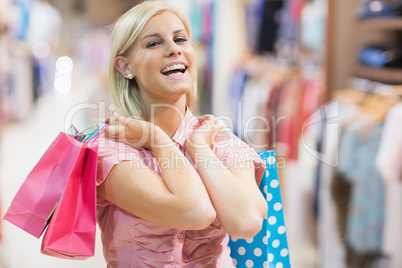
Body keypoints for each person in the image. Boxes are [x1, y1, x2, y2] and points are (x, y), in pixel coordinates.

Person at [96, 1, 268, 267]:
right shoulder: (110, 151)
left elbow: (246, 222)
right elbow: (195, 211)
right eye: (154, 43)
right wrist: (158, 140)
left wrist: (199, 149)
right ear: (125, 67)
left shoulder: (216, 139)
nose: (174, 49)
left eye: (180, 39)